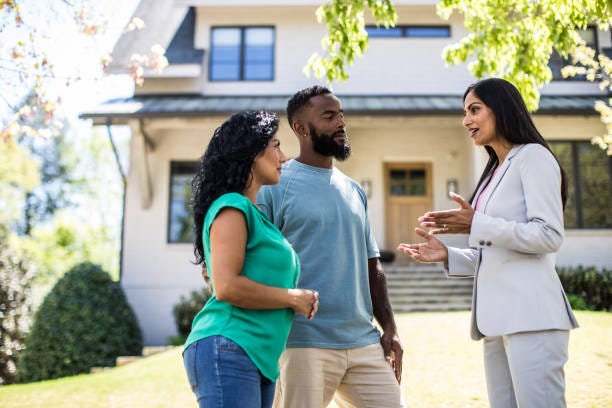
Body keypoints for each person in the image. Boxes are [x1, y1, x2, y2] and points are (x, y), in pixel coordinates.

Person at [398, 78, 579, 407]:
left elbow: (549, 235)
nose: (466, 120)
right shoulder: (494, 171)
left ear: (503, 108)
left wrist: (476, 222)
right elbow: (496, 251)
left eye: (475, 110)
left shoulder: (533, 157)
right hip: (496, 322)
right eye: (465, 112)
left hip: (532, 317)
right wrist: (447, 255)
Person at [257, 86, 404, 408]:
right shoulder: (274, 188)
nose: (340, 123)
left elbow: (372, 265)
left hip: (363, 339)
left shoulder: (354, 191)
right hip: (302, 341)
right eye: (328, 116)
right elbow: (256, 262)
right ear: (300, 128)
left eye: (341, 115)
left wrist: (390, 329)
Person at [183, 111, 320, 408]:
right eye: (276, 145)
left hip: (257, 356)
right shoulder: (232, 207)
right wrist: (292, 297)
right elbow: (227, 287)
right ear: (251, 152)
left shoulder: (257, 216)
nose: (283, 157)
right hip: (229, 345)